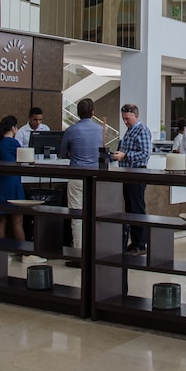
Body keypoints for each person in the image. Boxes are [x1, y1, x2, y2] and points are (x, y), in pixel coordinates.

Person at [59, 98, 103, 264]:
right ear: (93, 113)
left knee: (77, 218)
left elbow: (62, 152)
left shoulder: (71, 130)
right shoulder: (100, 129)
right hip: (95, 177)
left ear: (78, 113)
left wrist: (71, 153)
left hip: (77, 176)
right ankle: (94, 252)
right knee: (94, 215)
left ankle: (78, 256)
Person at [0, 115, 40, 261]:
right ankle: (25, 254)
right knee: (17, 221)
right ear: (13, 128)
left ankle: (0, 253)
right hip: (12, 183)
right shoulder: (13, 143)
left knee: (1, 219)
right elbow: (25, 160)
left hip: (0, 183)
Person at [111, 103, 152, 255]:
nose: (125, 122)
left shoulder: (142, 131)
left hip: (137, 173)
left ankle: (140, 244)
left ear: (136, 116)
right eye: (123, 119)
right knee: (130, 208)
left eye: (127, 118)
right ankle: (134, 242)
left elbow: (145, 153)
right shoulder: (129, 131)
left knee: (137, 208)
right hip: (127, 173)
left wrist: (125, 155)